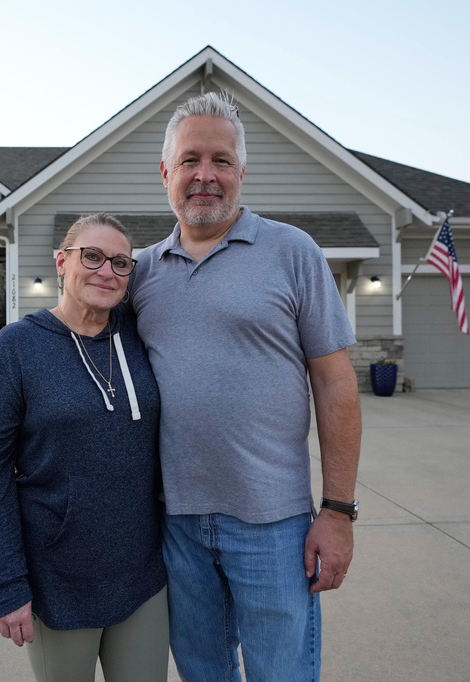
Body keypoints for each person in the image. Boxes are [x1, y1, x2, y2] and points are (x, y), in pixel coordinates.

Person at [127, 92, 362, 681]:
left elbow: (336, 385)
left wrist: (337, 512)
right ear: (165, 173)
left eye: (221, 160)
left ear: (241, 171)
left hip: (274, 524)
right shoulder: (139, 272)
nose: (205, 175)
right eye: (189, 160)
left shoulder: (292, 252)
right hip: (175, 521)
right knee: (203, 674)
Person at [0, 214, 169, 682]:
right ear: (61, 262)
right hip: (58, 576)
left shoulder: (140, 338)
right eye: (91, 256)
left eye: (121, 263)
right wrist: (5, 582)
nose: (106, 271)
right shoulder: (16, 348)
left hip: (141, 571)